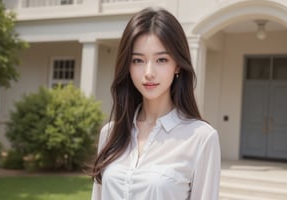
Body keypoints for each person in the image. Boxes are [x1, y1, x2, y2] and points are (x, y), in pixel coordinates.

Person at [90, 7, 221, 200]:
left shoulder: (201, 138)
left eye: (161, 59)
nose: (149, 72)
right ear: (128, 66)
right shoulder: (110, 134)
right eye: (138, 60)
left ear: (177, 65)